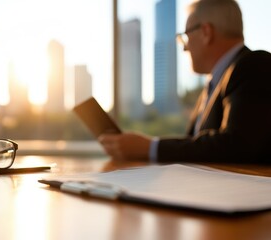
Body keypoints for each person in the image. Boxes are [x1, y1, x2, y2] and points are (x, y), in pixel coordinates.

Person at [99, 0, 271, 164]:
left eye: (186, 36)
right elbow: (195, 144)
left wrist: (150, 147)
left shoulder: (253, 65)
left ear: (206, 32)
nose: (184, 47)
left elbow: (236, 144)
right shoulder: (214, 83)